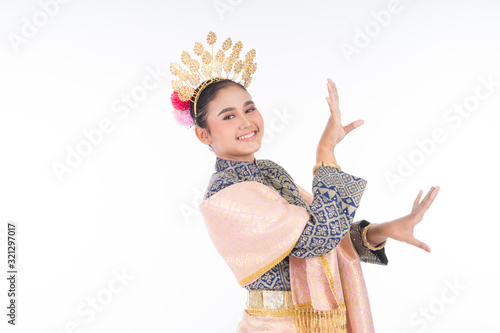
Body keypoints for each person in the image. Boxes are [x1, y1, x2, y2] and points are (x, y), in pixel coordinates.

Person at [170, 32, 440, 333]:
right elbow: (316, 239)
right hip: (275, 326)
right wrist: (326, 151)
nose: (246, 122)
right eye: (229, 116)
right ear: (204, 134)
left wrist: (383, 231)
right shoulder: (225, 194)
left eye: (249, 108)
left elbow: (322, 229)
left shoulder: (269, 172)